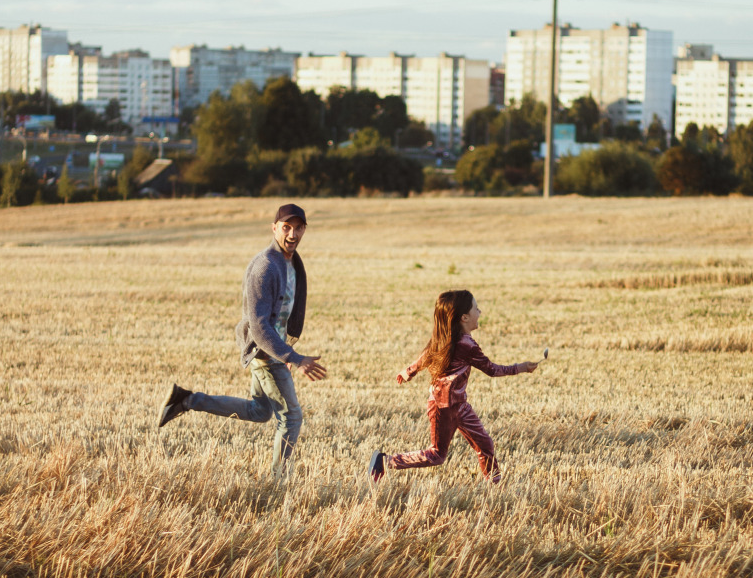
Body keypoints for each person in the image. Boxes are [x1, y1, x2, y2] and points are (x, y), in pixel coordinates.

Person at [158, 203, 326, 476]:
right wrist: (293, 358)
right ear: (274, 228)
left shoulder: (291, 262)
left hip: (276, 349)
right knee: (292, 418)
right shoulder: (265, 267)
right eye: (286, 227)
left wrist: (287, 348)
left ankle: (186, 400)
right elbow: (259, 327)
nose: (292, 234)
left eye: (298, 228)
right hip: (265, 352)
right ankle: (277, 483)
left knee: (260, 411)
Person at [368, 289, 537, 484]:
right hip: (442, 408)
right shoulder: (465, 345)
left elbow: (425, 357)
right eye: (476, 309)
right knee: (437, 455)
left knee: (485, 444)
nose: (480, 312)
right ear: (464, 317)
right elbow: (492, 369)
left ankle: (495, 485)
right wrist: (521, 367)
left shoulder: (450, 339)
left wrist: (408, 372)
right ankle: (385, 461)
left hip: (459, 405)